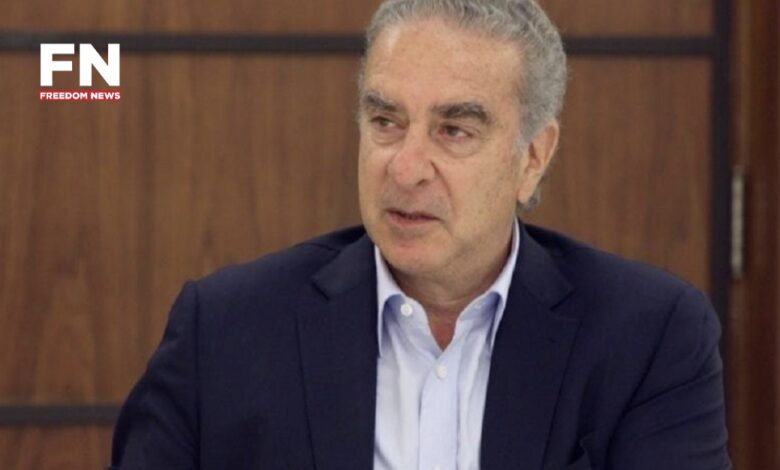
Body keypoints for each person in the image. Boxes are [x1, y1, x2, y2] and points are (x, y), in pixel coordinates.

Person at [109, 1, 731, 469]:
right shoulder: (224, 330)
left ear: (533, 157)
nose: (405, 169)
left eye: (454, 131)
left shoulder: (649, 336)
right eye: (386, 121)